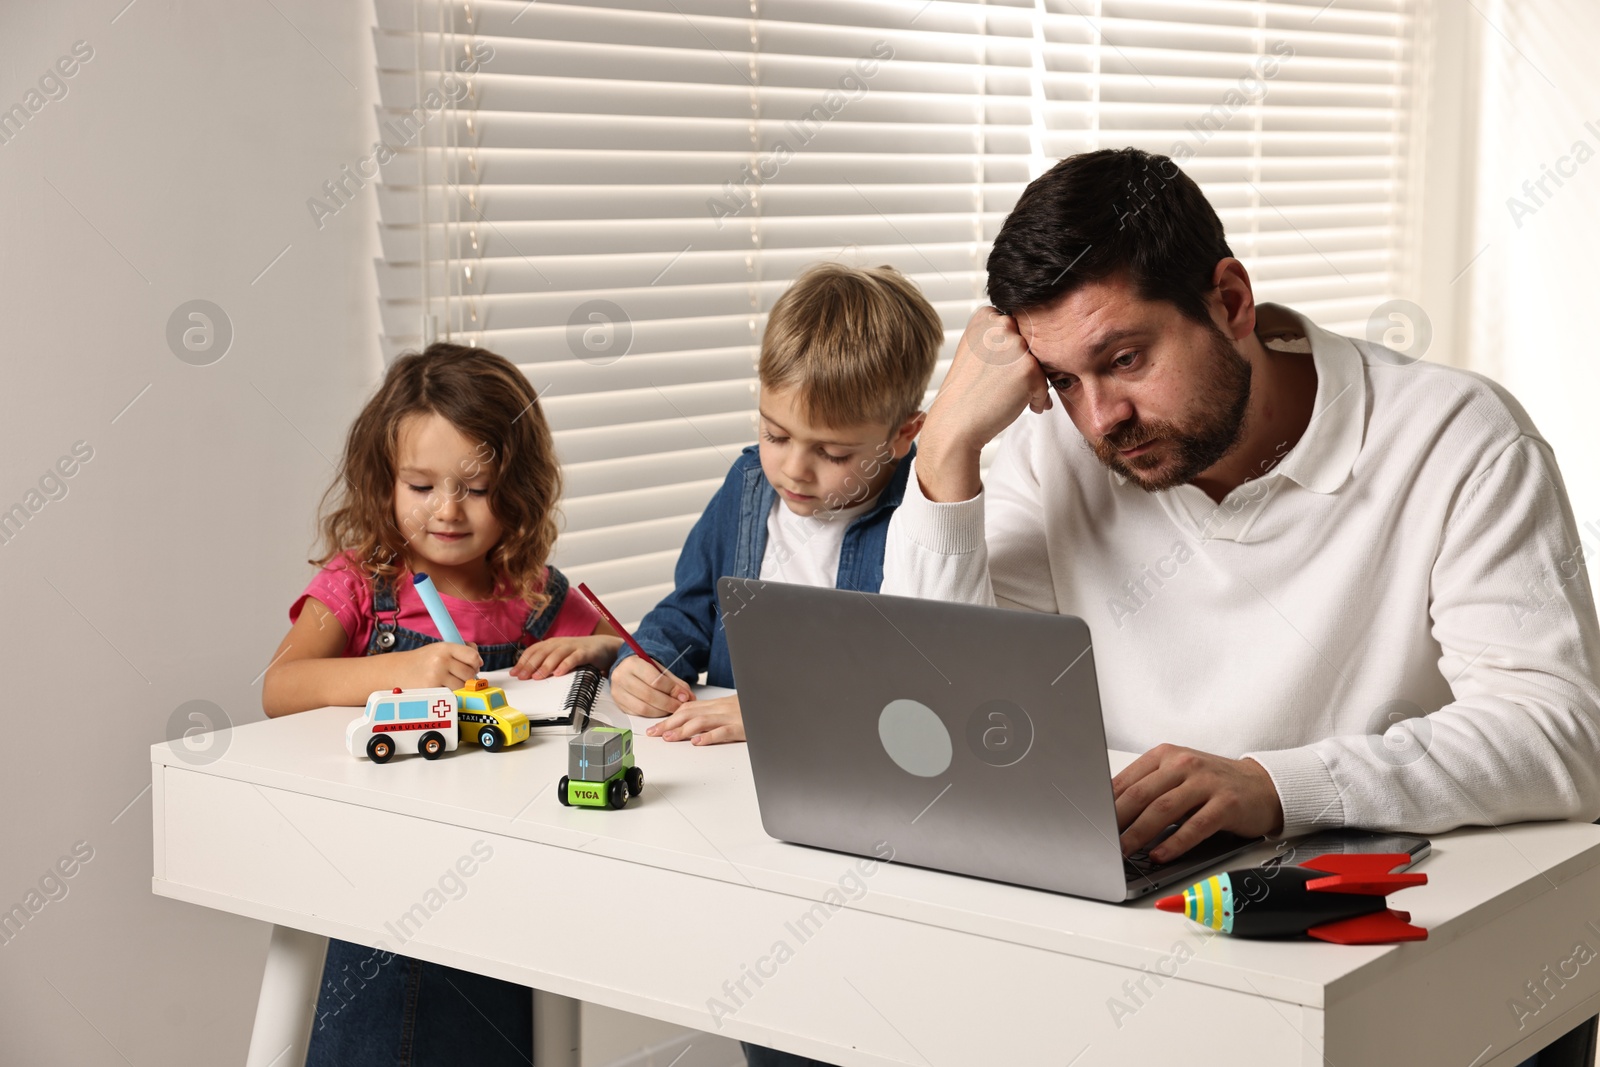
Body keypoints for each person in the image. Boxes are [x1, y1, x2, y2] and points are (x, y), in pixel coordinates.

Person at [882, 146, 1600, 875]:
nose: (1101, 418)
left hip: (1357, 906)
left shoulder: (1457, 437)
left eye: (1126, 358)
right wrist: (944, 447)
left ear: (1230, 302)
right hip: (1113, 886)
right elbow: (931, 723)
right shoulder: (1056, 444)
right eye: (1064, 379)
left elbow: (1560, 734)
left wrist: (1274, 786)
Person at [261, 343, 622, 1066]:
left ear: (517, 488)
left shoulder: (535, 592)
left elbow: (631, 656)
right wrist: (404, 668)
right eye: (421, 485)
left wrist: (596, 650)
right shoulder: (364, 582)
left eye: (477, 487)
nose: (447, 510)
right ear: (385, 480)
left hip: (503, 882)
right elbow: (281, 686)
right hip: (378, 874)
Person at [608, 262, 944, 755]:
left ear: (902, 436)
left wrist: (780, 707)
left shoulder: (924, 516)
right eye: (775, 435)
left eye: (832, 454)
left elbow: (914, 682)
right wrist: (645, 662)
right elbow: (693, 608)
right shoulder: (746, 486)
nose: (793, 470)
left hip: (839, 764)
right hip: (719, 761)